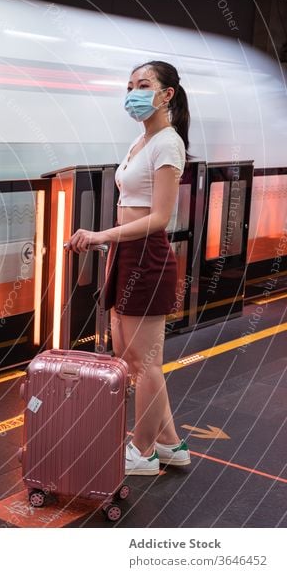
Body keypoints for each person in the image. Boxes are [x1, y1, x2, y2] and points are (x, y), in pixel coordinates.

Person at [68, 60, 192, 476]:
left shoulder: (168, 144)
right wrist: (112, 243)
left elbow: (160, 218)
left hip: (147, 254)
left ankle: (143, 453)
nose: (133, 93)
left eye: (143, 85)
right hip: (127, 252)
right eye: (129, 85)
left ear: (166, 94)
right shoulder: (140, 143)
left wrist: (104, 236)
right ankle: (171, 444)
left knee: (145, 361)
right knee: (128, 354)